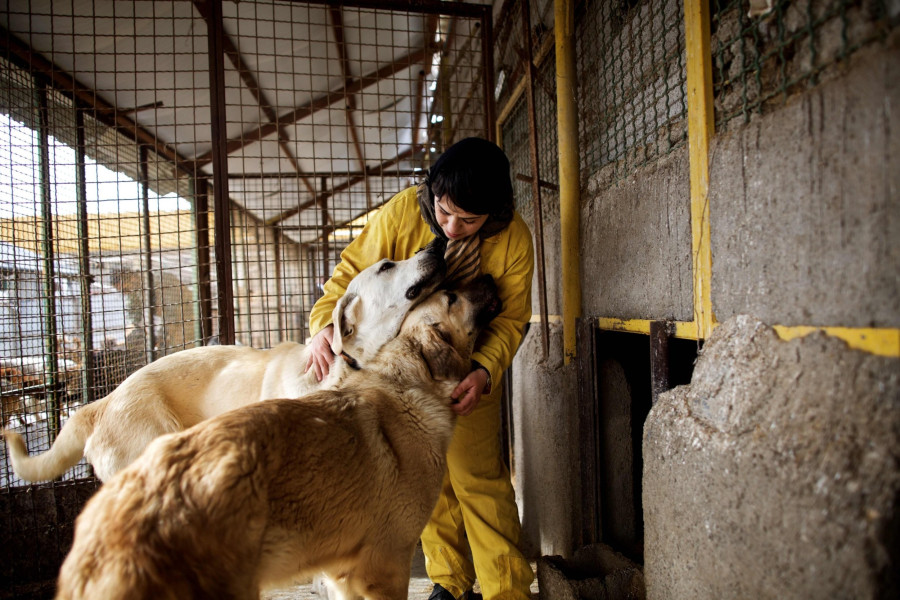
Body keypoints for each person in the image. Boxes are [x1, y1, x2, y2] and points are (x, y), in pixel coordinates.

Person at [306, 137, 535, 600]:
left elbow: (511, 319)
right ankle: (449, 582)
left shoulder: (514, 241)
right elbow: (351, 272)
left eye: (468, 221)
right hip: (401, 373)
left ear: (496, 211)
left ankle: (506, 590)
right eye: (443, 211)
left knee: (478, 478)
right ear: (431, 192)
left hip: (464, 371)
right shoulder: (401, 214)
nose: (451, 227)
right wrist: (321, 326)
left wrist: (485, 372)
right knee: (425, 479)